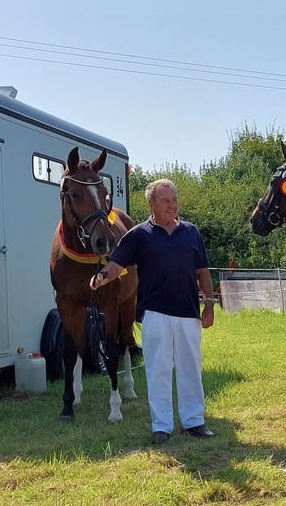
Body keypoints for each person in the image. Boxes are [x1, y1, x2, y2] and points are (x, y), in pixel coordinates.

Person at [90, 178, 216, 445]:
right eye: (165, 201)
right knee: (157, 370)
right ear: (151, 204)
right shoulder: (138, 235)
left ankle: (194, 421)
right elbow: (116, 264)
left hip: (187, 313)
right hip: (154, 313)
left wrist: (208, 303)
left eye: (174, 200)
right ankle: (162, 426)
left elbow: (202, 270)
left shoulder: (191, 232)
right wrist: (101, 277)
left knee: (190, 368)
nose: (172, 205)